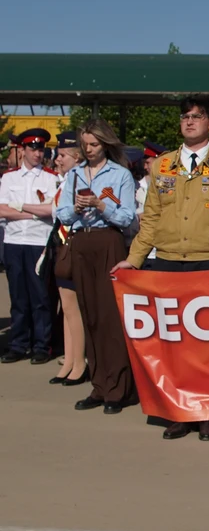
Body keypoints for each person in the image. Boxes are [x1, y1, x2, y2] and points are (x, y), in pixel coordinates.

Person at [113, 96, 209, 442]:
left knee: (208, 343)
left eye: (197, 117)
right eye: (185, 117)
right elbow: (151, 218)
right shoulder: (163, 166)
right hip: (168, 262)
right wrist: (135, 258)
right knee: (173, 342)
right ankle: (178, 412)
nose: (189, 122)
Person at [54, 120, 136, 415]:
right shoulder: (74, 174)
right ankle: (99, 384)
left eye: (94, 144)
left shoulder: (121, 174)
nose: (89, 150)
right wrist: (75, 208)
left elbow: (127, 217)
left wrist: (101, 205)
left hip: (109, 242)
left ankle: (119, 387)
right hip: (81, 242)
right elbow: (60, 213)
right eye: (85, 144)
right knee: (89, 315)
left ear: (106, 144)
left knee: (110, 316)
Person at [0, 128, 61, 364]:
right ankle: (18, 344)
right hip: (14, 241)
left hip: (39, 243)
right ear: (22, 150)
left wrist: (19, 208)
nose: (38, 153)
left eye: (41, 148)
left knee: (40, 297)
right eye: (33, 148)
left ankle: (41, 345)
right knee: (18, 296)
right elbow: (2, 210)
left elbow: (52, 212)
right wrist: (33, 214)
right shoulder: (9, 178)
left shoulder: (50, 177)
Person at [47, 132, 88, 385]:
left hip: (74, 246)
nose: (57, 160)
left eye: (62, 155)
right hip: (62, 246)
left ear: (76, 157)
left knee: (74, 310)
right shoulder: (64, 182)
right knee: (67, 309)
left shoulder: (79, 182)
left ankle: (79, 362)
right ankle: (70, 360)